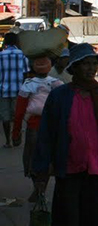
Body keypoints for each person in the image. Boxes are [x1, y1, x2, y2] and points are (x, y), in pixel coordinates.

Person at [32, 43, 98, 226]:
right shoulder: (60, 96)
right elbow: (47, 135)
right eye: (85, 64)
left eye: (93, 64)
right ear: (74, 67)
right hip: (68, 171)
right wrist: (41, 173)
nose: (91, 68)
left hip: (95, 171)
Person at [12, 56, 63, 201]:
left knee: (32, 158)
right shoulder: (57, 84)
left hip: (33, 127)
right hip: (53, 127)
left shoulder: (28, 85)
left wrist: (15, 133)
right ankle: (42, 188)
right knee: (47, 158)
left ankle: (38, 188)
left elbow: (19, 112)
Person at [0, 32, 29, 148]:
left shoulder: (1, 56)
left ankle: (8, 141)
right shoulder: (22, 56)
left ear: (5, 42)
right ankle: (16, 136)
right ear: (17, 42)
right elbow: (26, 74)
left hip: (3, 91)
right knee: (17, 116)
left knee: (5, 117)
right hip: (18, 91)